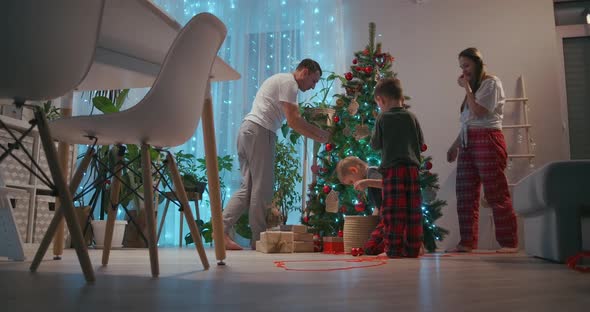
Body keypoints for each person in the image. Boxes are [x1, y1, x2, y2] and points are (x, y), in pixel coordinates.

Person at [223, 59, 330, 250]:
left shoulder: (280, 79)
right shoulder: (290, 83)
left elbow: (293, 121)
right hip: (260, 131)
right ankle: (259, 240)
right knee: (261, 189)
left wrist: (318, 136)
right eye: (313, 81)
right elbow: (294, 121)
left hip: (247, 130)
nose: (313, 87)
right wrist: (322, 135)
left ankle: (220, 231)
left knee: (247, 188)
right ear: (304, 72)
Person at [446, 47, 518, 253]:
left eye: (466, 65)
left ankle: (509, 243)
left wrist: (466, 88)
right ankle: (467, 242)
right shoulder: (474, 88)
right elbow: (468, 122)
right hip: (468, 142)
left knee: (496, 191)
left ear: (478, 63)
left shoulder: (491, 83)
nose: (464, 70)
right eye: (461, 67)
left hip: (488, 139)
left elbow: (478, 111)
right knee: (465, 193)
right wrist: (454, 146)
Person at [366, 77, 424, 258]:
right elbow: (420, 143)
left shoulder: (382, 118)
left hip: (392, 171)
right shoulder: (411, 117)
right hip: (412, 170)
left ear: (381, 100)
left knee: (393, 212)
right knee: (413, 211)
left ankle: (392, 250)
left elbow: (375, 144)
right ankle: (412, 248)